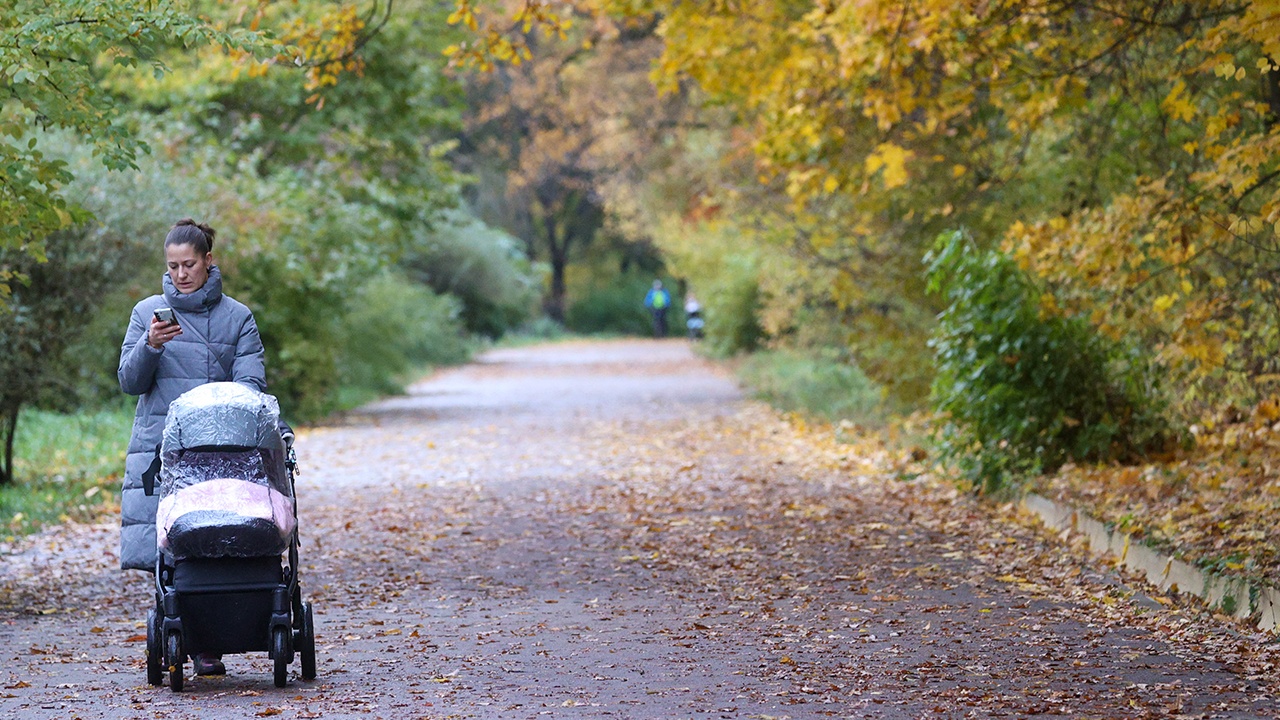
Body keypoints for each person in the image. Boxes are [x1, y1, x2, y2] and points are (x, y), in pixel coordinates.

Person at [117, 218, 268, 676]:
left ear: (208, 262)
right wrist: (150, 347)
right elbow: (129, 381)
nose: (181, 274)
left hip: (223, 451)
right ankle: (183, 632)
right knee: (172, 543)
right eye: (173, 266)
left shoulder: (238, 317)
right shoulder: (148, 314)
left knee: (217, 536)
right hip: (163, 452)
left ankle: (211, 640)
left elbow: (251, 385)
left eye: (189, 264)